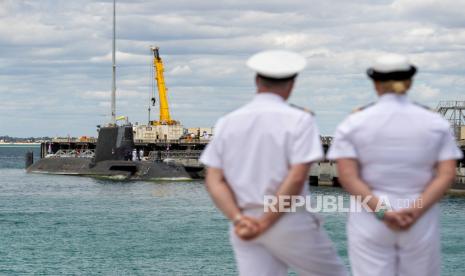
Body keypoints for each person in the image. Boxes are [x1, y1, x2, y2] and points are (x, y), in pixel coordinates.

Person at [200, 50, 347, 276]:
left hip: (245, 220)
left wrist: (239, 219)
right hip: (288, 220)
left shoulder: (228, 122)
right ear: (292, 84)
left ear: (257, 81)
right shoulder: (300, 119)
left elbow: (213, 180)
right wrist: (268, 221)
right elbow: (297, 177)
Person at [327, 53, 463, 276]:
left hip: (371, 217)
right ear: (409, 82)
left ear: (375, 83)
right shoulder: (434, 122)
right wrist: (415, 210)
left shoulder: (355, 122)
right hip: (419, 215)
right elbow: (446, 175)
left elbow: (348, 177)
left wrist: (383, 212)